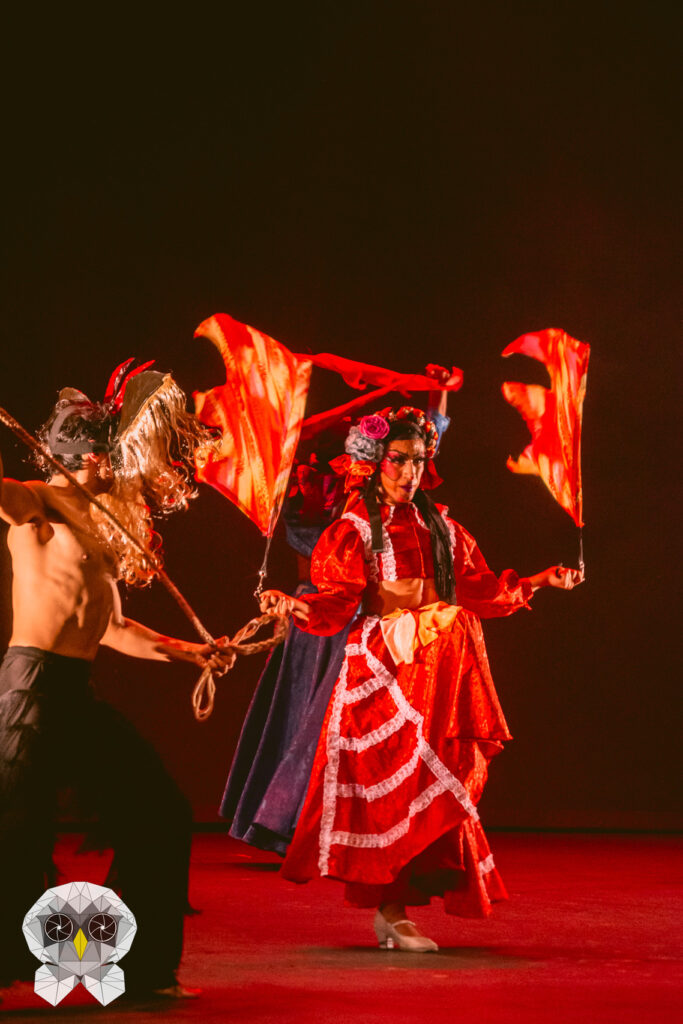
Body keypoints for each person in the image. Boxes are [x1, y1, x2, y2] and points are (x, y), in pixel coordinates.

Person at [259, 406, 582, 951]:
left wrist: (541, 581)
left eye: (417, 460)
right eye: (399, 460)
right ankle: (391, 910)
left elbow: (479, 590)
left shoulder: (445, 529)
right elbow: (335, 606)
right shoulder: (353, 530)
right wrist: (291, 604)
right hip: (383, 668)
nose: (410, 472)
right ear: (374, 463)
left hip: (435, 672)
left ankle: (398, 911)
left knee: (435, 787)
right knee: (392, 791)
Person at [0, 370, 226, 997]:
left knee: (159, 810)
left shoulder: (100, 521)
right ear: (93, 456)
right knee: (12, 833)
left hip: (73, 693)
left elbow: (116, 629)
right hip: (29, 691)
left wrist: (195, 653)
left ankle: (147, 970)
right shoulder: (37, 502)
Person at [220, 371, 452, 854]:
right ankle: (290, 824)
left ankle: (354, 828)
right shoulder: (307, 482)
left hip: (356, 611)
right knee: (312, 721)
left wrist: (439, 393)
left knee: (350, 723)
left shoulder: (382, 486)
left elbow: (427, 440)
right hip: (319, 610)